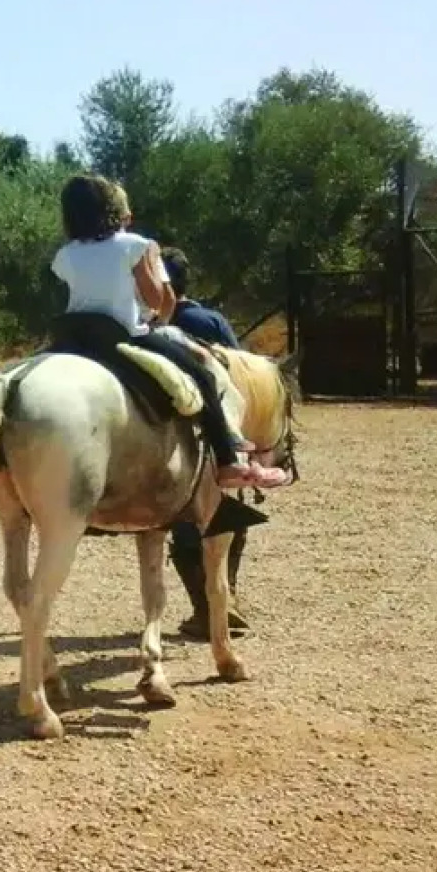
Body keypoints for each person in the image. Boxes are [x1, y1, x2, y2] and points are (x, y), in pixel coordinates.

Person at [50, 174, 289, 490]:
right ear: (109, 208)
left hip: (72, 337)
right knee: (203, 375)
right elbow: (159, 300)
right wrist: (157, 320)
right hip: (121, 335)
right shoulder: (134, 245)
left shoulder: (65, 254)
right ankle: (228, 460)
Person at [160, 246, 255, 638]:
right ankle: (226, 598)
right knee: (229, 519)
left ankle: (205, 609)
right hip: (221, 442)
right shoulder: (210, 320)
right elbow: (241, 372)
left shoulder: (151, 331)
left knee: (186, 528)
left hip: (176, 446)